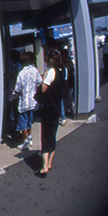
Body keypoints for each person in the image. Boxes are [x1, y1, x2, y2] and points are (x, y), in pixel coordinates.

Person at [37, 48, 65, 177]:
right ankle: (49, 163)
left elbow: (43, 88)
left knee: (46, 136)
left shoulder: (51, 71)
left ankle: (44, 167)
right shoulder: (62, 71)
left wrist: (45, 75)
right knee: (53, 135)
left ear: (51, 60)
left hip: (49, 108)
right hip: (57, 107)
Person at [11, 52, 42, 152]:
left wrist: (13, 95)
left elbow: (17, 89)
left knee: (23, 124)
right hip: (32, 102)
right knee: (30, 122)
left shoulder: (21, 73)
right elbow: (39, 82)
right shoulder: (35, 70)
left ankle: (26, 142)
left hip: (23, 102)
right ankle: (29, 138)